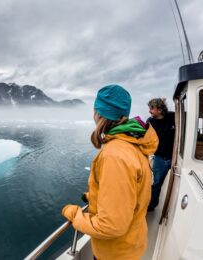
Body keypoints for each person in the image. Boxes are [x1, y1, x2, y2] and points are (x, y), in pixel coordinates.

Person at [61, 84, 158, 260]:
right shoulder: (132, 144)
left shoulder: (114, 157)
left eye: (95, 110)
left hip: (115, 253)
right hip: (130, 244)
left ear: (100, 114)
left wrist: (74, 214)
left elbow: (111, 226)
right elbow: (129, 193)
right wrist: (94, 197)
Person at [147, 98, 175, 211]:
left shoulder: (173, 116)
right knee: (157, 183)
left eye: (152, 108)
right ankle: (151, 205)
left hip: (175, 157)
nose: (149, 111)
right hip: (159, 158)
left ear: (160, 109)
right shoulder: (150, 121)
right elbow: (143, 136)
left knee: (176, 182)